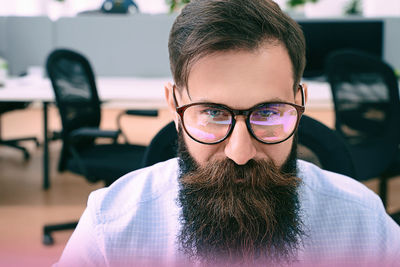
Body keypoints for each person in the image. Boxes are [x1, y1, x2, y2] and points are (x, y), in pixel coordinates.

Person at [55, 0, 400, 266]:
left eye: (268, 113)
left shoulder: (361, 223)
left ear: (300, 102)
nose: (239, 152)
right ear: (175, 106)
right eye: (212, 113)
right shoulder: (112, 226)